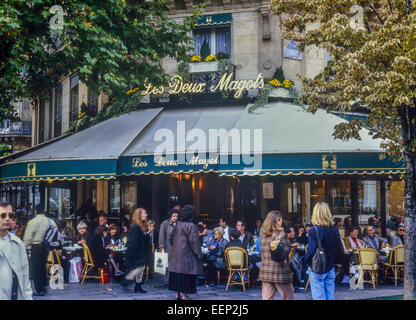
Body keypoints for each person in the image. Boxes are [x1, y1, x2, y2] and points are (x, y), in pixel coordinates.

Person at [305, 202, 347, 300]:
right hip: (330, 265)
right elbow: (339, 249)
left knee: (319, 296)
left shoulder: (313, 230)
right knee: (330, 296)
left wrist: (305, 261)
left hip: (317, 266)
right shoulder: (334, 230)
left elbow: (311, 251)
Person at [168, 205, 203, 300]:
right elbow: (194, 242)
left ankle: (177, 294)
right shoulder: (191, 226)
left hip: (176, 254)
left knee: (176, 274)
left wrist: (175, 246)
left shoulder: (178, 224)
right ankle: (184, 295)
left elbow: (171, 237)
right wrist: (199, 254)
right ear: (191, 215)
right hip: (186, 254)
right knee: (185, 275)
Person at [23, 204, 58, 296]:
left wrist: (25, 247)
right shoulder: (50, 221)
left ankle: (39, 289)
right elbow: (55, 232)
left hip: (36, 246)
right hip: (45, 247)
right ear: (43, 211)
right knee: (43, 266)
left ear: (35, 211)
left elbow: (28, 237)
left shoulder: (32, 222)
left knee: (36, 268)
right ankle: (43, 286)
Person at [0, 202, 33, 300]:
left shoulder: (18, 243)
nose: (7, 218)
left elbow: (24, 278)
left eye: (10, 215)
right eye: (3, 215)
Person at [258, 210, 294, 300]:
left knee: (267, 298)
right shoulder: (281, 235)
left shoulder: (263, 236)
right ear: (277, 220)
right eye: (281, 219)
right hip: (280, 272)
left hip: (266, 271)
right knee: (288, 295)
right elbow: (287, 251)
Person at [121, 208, 151, 293]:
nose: (146, 215)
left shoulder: (142, 226)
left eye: (145, 213)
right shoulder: (136, 227)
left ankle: (138, 287)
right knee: (140, 268)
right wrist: (134, 255)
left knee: (141, 270)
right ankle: (127, 280)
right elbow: (133, 242)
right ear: (139, 215)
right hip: (136, 253)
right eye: (143, 213)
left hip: (141, 252)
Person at [159, 208, 180, 285]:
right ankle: (167, 281)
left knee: (176, 265)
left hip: (178, 248)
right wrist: (161, 246)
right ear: (170, 216)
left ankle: (175, 281)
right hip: (168, 248)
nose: (175, 218)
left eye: (177, 216)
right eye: (174, 216)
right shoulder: (165, 224)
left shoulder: (179, 224)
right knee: (167, 265)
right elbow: (161, 236)